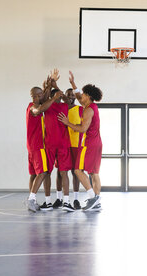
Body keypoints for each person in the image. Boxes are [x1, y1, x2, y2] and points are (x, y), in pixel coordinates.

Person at [57, 71, 102, 211]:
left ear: (88, 96)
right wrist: (72, 83)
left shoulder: (88, 110)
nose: (80, 96)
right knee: (94, 173)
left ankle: (92, 197)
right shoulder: (90, 106)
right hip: (96, 143)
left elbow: (82, 129)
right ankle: (97, 201)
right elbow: (77, 96)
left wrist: (67, 122)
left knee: (77, 170)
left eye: (83, 93)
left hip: (88, 144)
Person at [26, 74, 62, 212]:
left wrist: (50, 84)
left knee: (34, 174)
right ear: (35, 97)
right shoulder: (33, 108)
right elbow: (40, 109)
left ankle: (31, 199)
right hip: (37, 146)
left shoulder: (36, 102)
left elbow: (43, 99)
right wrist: (54, 97)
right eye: (40, 95)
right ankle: (31, 200)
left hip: (31, 147)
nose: (43, 96)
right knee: (44, 172)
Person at [42, 75, 74, 212]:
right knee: (46, 172)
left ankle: (66, 202)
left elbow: (68, 99)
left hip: (62, 145)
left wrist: (56, 86)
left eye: (60, 96)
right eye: (57, 96)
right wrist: (49, 86)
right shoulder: (47, 106)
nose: (60, 97)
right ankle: (48, 201)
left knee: (64, 173)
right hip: (49, 145)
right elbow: (43, 98)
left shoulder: (64, 105)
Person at [64, 88, 84, 210]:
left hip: (76, 145)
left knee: (75, 172)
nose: (71, 97)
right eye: (68, 95)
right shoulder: (62, 109)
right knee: (62, 173)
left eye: (73, 95)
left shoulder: (80, 109)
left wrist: (71, 125)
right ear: (65, 97)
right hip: (64, 145)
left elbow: (83, 125)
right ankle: (60, 199)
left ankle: (76, 199)